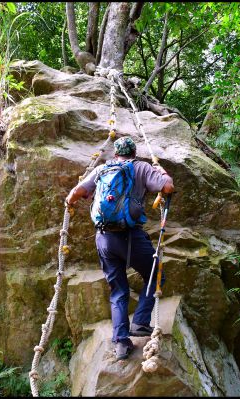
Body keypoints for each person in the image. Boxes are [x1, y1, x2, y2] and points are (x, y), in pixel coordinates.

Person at [65, 137, 175, 360]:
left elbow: (75, 193)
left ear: (116, 154)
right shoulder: (142, 167)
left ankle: (121, 344)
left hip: (104, 238)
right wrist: (163, 173)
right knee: (155, 275)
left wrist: (70, 203)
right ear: (134, 152)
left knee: (118, 290)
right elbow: (167, 187)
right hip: (131, 237)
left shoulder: (102, 169)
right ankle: (141, 322)